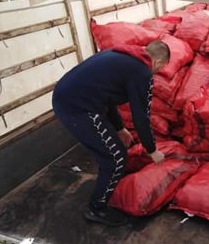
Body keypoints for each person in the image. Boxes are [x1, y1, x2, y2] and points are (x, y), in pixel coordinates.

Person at [52, 40, 170, 226]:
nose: (158, 72)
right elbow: (141, 116)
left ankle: (106, 187)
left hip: (69, 98)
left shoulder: (125, 56)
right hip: (77, 107)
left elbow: (107, 97)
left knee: (113, 150)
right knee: (115, 158)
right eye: (161, 68)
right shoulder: (142, 71)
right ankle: (96, 209)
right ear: (158, 62)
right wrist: (152, 150)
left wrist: (120, 128)